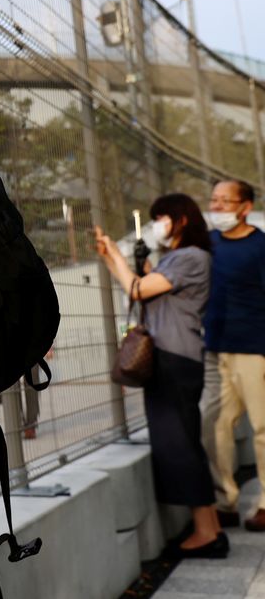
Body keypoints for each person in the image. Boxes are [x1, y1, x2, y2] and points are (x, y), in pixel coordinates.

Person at [94, 193, 224, 557]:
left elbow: (136, 289)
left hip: (174, 358)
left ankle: (206, 533)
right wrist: (124, 261)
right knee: (186, 442)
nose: (157, 225)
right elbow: (147, 288)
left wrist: (115, 257)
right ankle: (210, 528)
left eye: (161, 218)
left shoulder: (191, 257)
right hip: (177, 357)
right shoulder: (179, 259)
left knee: (178, 445)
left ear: (181, 219)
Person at [200, 179, 265, 529]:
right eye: (214, 200)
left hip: (255, 350)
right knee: (214, 425)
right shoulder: (208, 244)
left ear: (245, 207)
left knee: (263, 428)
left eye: (226, 201)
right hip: (216, 349)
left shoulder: (260, 246)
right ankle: (225, 501)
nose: (218, 206)